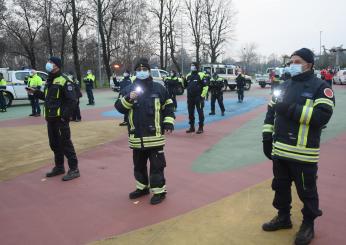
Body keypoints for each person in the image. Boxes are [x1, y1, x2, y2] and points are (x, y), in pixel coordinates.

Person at [262, 48, 335, 245]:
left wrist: (289, 108)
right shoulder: (284, 86)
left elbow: (322, 116)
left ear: (309, 64)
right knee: (280, 187)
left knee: (307, 192)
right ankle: (283, 217)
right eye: (290, 61)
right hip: (280, 150)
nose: (291, 64)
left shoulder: (320, 87)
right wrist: (267, 137)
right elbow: (271, 112)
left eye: (296, 61)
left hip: (304, 153)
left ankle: (308, 225)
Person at [114, 58, 175, 205]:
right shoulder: (128, 89)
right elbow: (119, 107)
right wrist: (129, 98)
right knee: (139, 166)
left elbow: (169, 105)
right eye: (139, 70)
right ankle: (142, 188)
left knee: (157, 166)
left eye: (144, 69)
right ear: (136, 72)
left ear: (148, 71)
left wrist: (168, 122)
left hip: (155, 137)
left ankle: (159, 192)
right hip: (136, 137)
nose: (142, 72)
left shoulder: (159, 88)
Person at [27, 57, 80, 181]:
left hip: (60, 120)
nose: (48, 64)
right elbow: (47, 98)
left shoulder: (65, 81)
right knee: (54, 144)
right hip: (50, 119)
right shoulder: (49, 80)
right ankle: (59, 167)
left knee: (66, 144)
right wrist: (35, 92)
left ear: (57, 65)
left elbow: (72, 101)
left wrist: (64, 117)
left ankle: (74, 169)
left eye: (51, 62)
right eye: (49, 62)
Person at [185, 62, 208, 134]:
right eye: (191, 65)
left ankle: (201, 127)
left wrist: (202, 96)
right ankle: (192, 127)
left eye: (193, 65)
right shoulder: (188, 75)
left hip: (199, 97)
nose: (192, 67)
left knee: (200, 112)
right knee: (190, 113)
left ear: (197, 67)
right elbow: (185, 85)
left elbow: (206, 87)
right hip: (190, 98)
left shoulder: (201, 75)